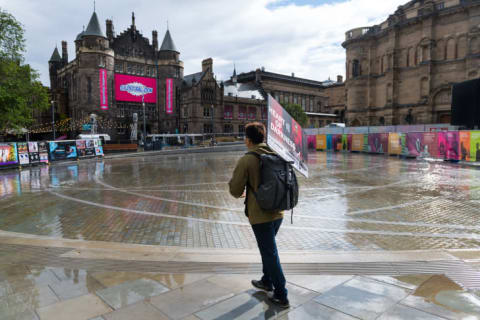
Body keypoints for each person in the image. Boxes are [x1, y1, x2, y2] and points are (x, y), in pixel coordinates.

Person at [228, 122, 289, 308]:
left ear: (248, 140)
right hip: (278, 212)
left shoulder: (247, 159)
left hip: (260, 215)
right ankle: (266, 280)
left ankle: (281, 294)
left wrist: (236, 187)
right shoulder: (275, 153)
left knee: (270, 253)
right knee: (268, 250)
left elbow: (235, 189)